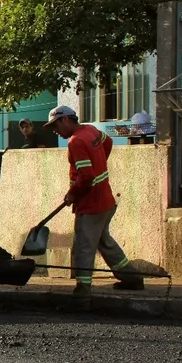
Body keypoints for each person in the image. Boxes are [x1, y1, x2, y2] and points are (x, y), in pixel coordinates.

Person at [44, 105, 144, 300]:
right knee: (104, 242)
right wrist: (99, 164)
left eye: (55, 125)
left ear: (65, 119)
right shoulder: (90, 130)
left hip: (91, 204)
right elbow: (108, 143)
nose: (54, 130)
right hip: (105, 200)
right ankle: (132, 279)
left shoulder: (76, 142)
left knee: (84, 245)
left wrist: (72, 193)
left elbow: (87, 176)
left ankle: (83, 293)